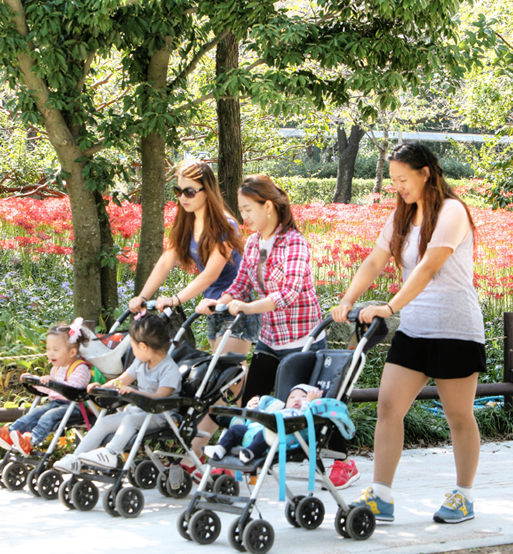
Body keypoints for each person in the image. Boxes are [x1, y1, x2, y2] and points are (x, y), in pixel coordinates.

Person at [331, 142, 485, 524]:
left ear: (425, 173)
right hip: (415, 331)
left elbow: (429, 266)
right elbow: (374, 260)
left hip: (455, 330)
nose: (397, 186)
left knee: (458, 415)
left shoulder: (452, 211)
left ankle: (464, 496)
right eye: (394, 179)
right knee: (388, 407)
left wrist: (389, 307)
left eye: (403, 178)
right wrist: (347, 299)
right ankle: (381, 495)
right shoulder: (402, 215)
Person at [198, 174, 359, 490]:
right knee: (253, 402)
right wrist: (221, 301)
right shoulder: (254, 243)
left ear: (268, 206)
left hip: (303, 340)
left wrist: (248, 308)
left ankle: (343, 462)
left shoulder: (294, 243)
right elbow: (241, 284)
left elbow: (289, 292)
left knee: (308, 408)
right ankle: (238, 457)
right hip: (270, 339)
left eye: (248, 209)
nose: (244, 216)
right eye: (241, 210)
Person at [127, 159, 260, 463]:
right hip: (210, 307)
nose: (183, 198)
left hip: (235, 306)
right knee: (226, 380)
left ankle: (203, 451)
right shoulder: (186, 223)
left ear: (206, 190)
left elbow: (211, 273)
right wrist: (143, 295)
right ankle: (236, 435)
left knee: (225, 380)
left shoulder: (224, 224)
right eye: (178, 191)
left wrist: (176, 299)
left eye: (189, 191)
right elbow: (166, 260)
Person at [54, 313, 181, 473]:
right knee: (104, 422)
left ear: (143, 347)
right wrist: (102, 387)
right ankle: (75, 458)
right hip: (140, 411)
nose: (133, 351)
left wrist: (135, 393)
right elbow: (121, 381)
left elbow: (160, 398)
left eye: (133, 346)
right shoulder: (141, 362)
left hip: (161, 415)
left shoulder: (169, 369)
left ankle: (110, 453)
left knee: (129, 420)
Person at [0, 318, 91, 456]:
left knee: (48, 416)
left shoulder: (80, 368)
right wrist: (36, 381)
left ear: (72, 352)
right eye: (48, 349)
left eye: (55, 350)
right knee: (33, 413)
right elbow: (51, 390)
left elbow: (74, 390)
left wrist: (55, 382)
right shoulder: (56, 369)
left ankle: (31, 441)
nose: (50, 353)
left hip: (74, 407)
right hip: (55, 403)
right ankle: (10, 433)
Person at [204, 384, 323, 464]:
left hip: (277, 435)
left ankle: (250, 452)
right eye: (292, 397)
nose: (296, 399)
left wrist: (309, 403)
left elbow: (305, 417)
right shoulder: (281, 411)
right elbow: (263, 415)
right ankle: (220, 449)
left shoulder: (303, 414)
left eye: (303, 397)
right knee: (235, 429)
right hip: (254, 431)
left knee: (266, 431)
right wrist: (253, 408)